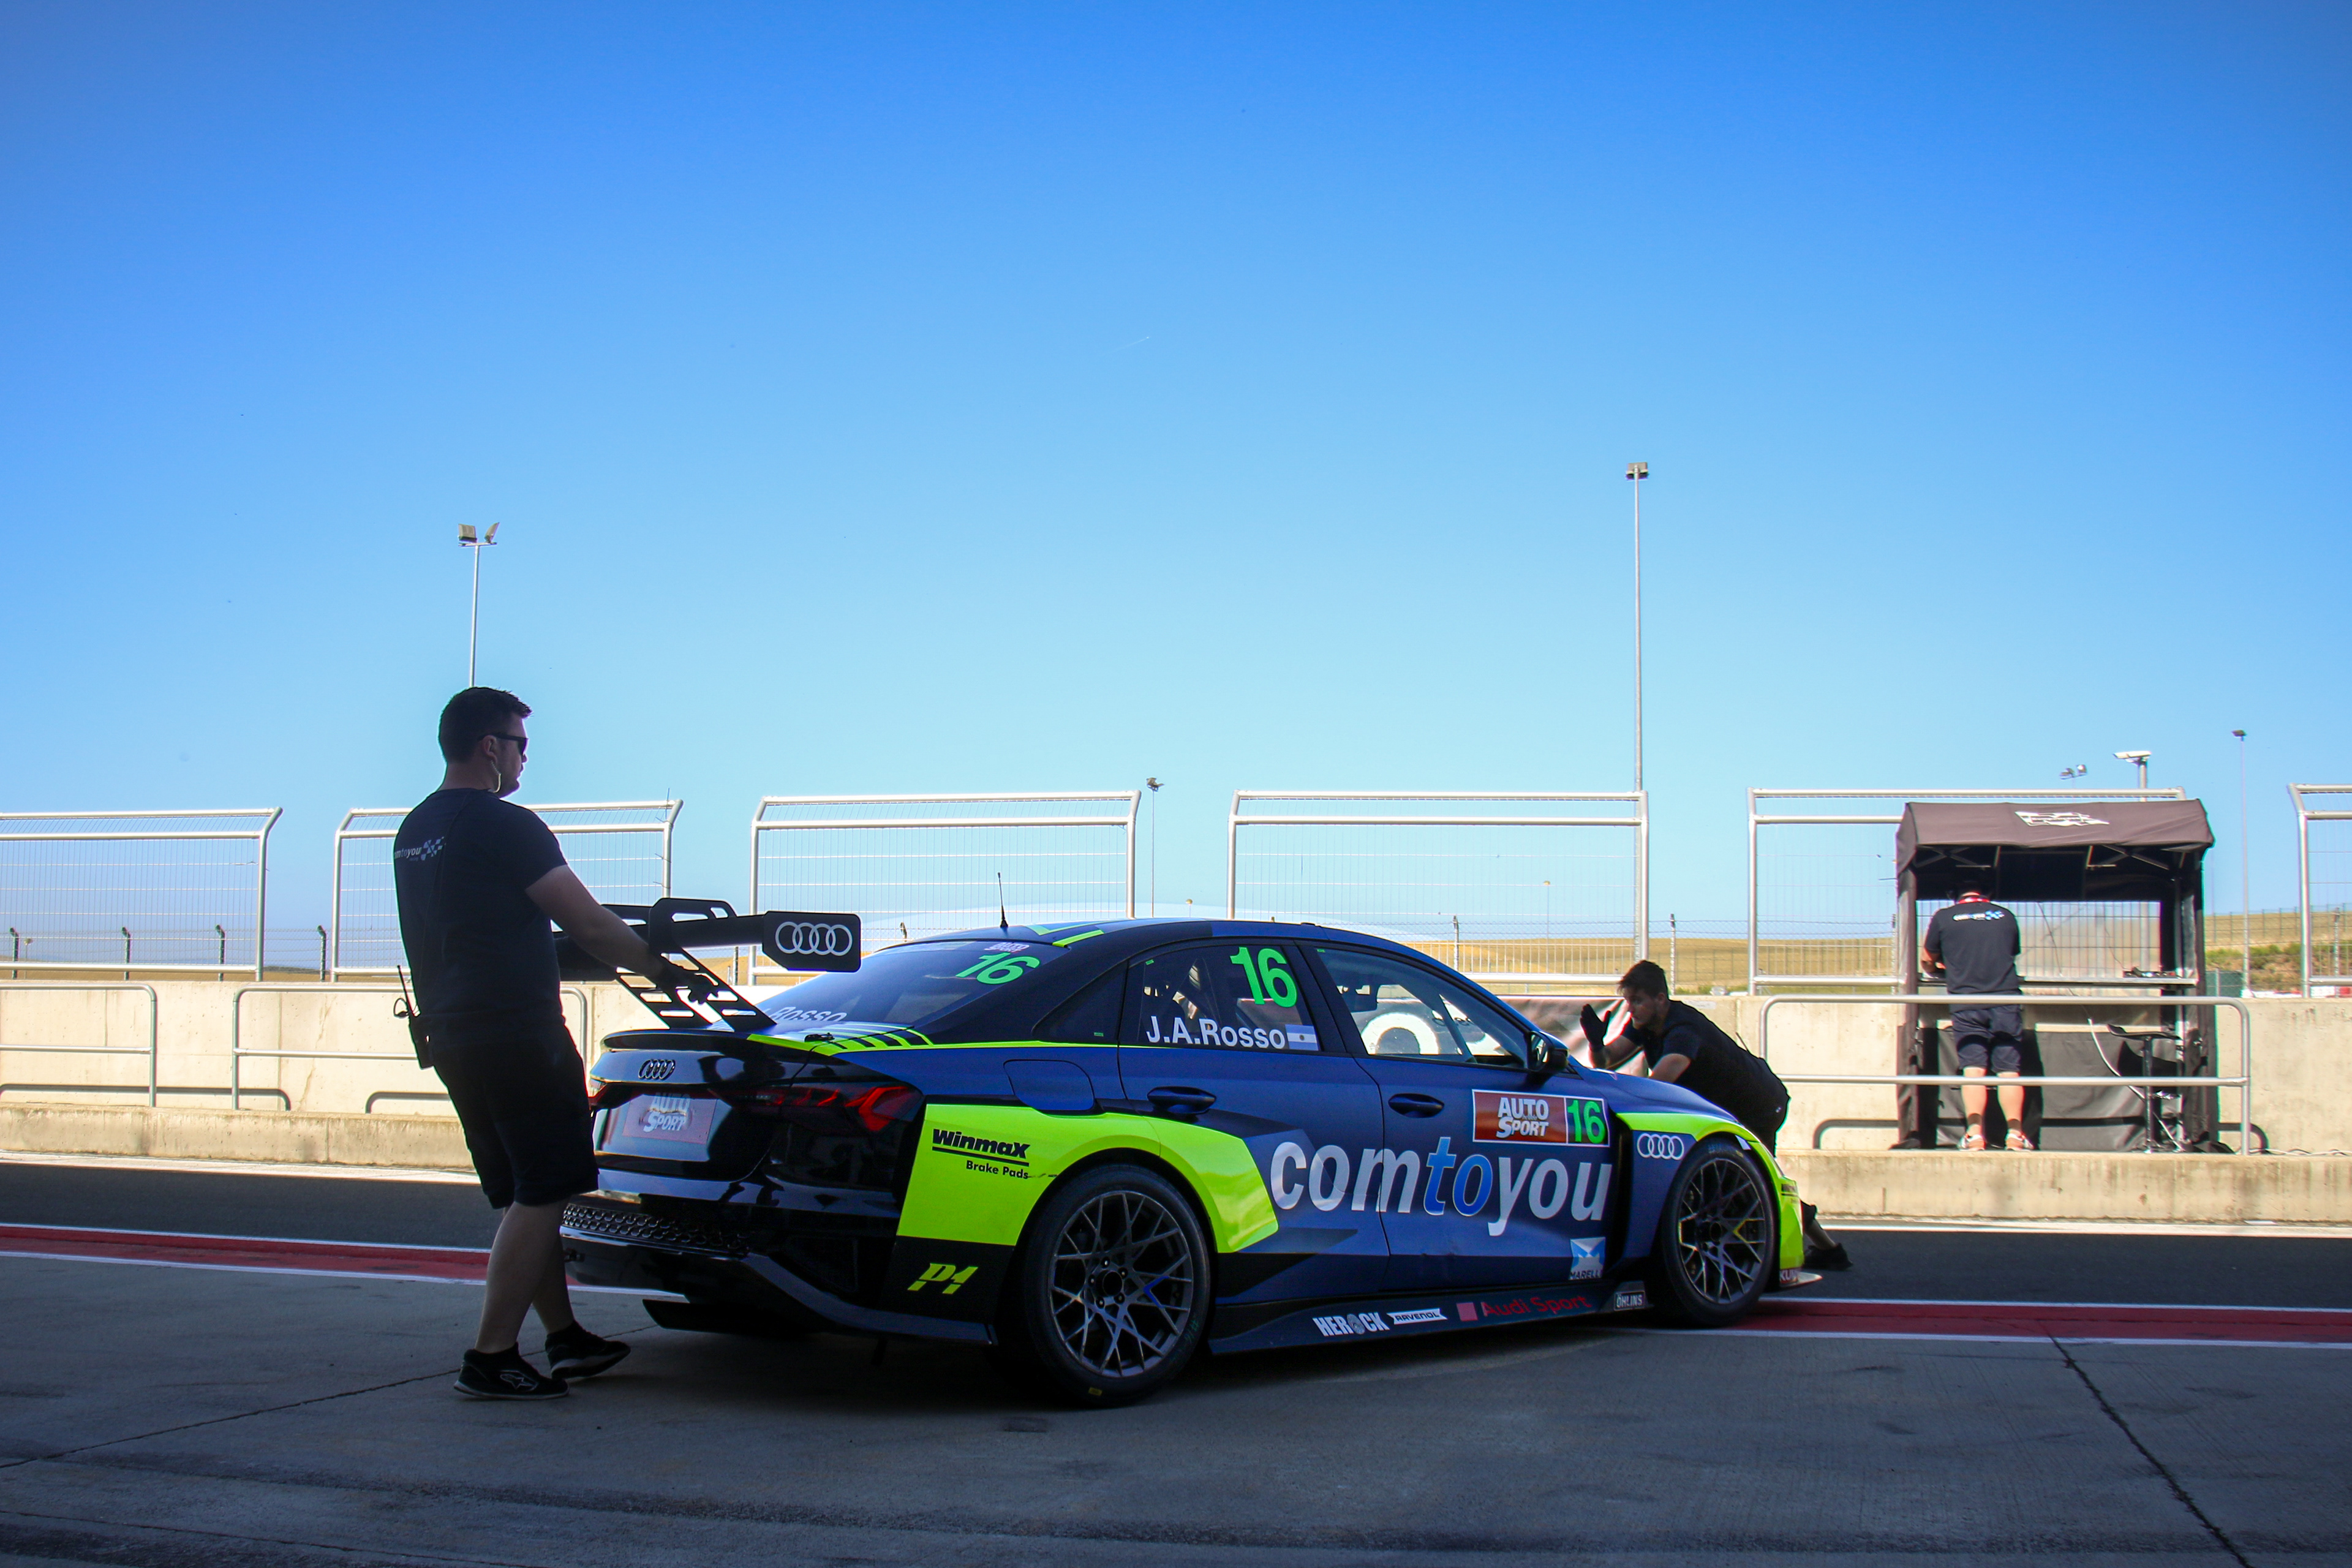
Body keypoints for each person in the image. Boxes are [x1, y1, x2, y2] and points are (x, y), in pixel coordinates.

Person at [395, 687, 698, 1400]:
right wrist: (655, 964)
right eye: (520, 743)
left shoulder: (416, 829)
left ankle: (562, 1338)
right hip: (517, 1032)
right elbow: (588, 924)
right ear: (490, 748)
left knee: (525, 1193)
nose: (527, 756)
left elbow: (481, 925)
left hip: (454, 1035)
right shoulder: (506, 825)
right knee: (549, 1187)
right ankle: (492, 1353)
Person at [1592, 960, 1849, 1270]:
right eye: (1628, 1001)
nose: (1630, 1009)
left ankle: (1783, 1256)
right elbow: (1607, 1060)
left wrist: (1623, 1102)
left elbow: (1664, 1078)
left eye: (1637, 1001)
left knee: (1755, 1186)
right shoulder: (1644, 1024)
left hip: (1758, 1104)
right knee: (1743, 1185)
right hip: (1729, 1110)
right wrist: (1596, 1042)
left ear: (1661, 999)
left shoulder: (1683, 1028)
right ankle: (1827, 1251)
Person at [1922, 883, 2032, 1152]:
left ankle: (1975, 1136)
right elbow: (2011, 951)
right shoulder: (2005, 915)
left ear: (1955, 895)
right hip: (2005, 999)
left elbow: (1927, 959)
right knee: (2009, 1071)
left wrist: (1942, 966)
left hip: (1966, 1002)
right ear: (1987, 895)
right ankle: (2015, 1136)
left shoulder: (1944, 917)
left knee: (1973, 1068)